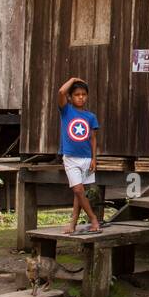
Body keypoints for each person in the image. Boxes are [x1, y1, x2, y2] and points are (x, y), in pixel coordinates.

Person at [57, 76, 101, 234]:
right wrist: (73, 79)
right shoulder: (66, 110)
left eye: (83, 94)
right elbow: (61, 91)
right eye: (77, 94)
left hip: (87, 158)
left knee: (79, 193)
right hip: (70, 157)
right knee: (78, 190)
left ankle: (73, 224)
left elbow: (93, 139)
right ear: (70, 97)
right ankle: (93, 218)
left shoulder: (91, 117)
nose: (81, 97)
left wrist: (94, 159)